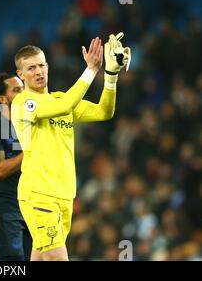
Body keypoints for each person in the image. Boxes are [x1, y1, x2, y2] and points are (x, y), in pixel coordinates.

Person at [11, 34, 130, 261]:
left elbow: (104, 111)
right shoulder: (24, 102)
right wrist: (91, 70)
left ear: (48, 67)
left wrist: (111, 75)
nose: (38, 71)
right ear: (21, 75)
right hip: (39, 195)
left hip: (64, 195)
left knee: (41, 257)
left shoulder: (60, 99)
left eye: (42, 65)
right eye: (31, 68)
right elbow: (66, 105)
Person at [0, 73, 33, 261]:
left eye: (23, 88)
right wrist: (30, 151)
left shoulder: (31, 126)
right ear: (3, 99)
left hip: (32, 206)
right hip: (6, 207)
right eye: (17, 90)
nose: (24, 93)